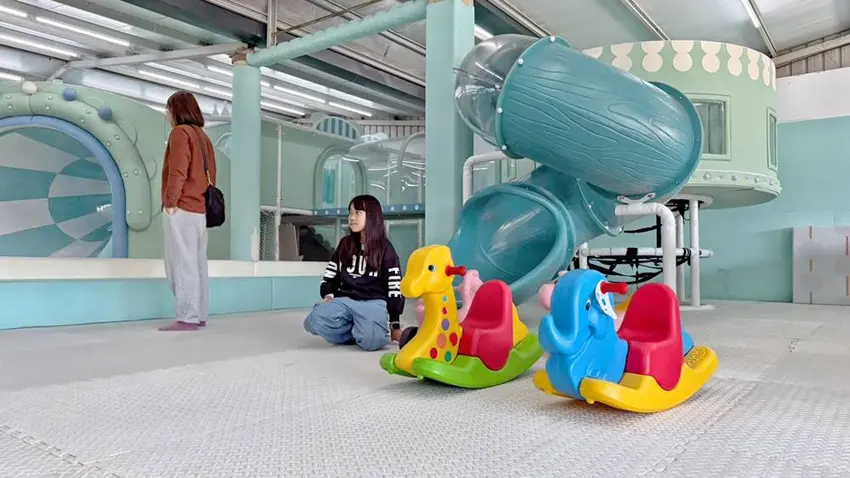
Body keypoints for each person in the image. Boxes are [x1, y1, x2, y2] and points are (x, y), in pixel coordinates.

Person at [304, 194, 404, 350]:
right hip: (345, 299)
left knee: (372, 342)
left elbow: (394, 285)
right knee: (313, 322)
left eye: (358, 213)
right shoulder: (345, 244)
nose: (352, 217)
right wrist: (328, 293)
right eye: (350, 212)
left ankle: (366, 330)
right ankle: (355, 331)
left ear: (372, 216)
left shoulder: (385, 248)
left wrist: (395, 324)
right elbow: (332, 272)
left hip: (373, 302)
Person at [158, 91, 216, 332]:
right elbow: (211, 174)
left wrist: (170, 201)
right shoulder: (203, 137)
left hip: (182, 208)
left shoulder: (180, 133)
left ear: (177, 110)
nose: (166, 113)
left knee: (181, 264)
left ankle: (187, 317)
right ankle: (199, 314)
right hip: (200, 210)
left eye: (168, 108)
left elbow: (177, 170)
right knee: (198, 264)